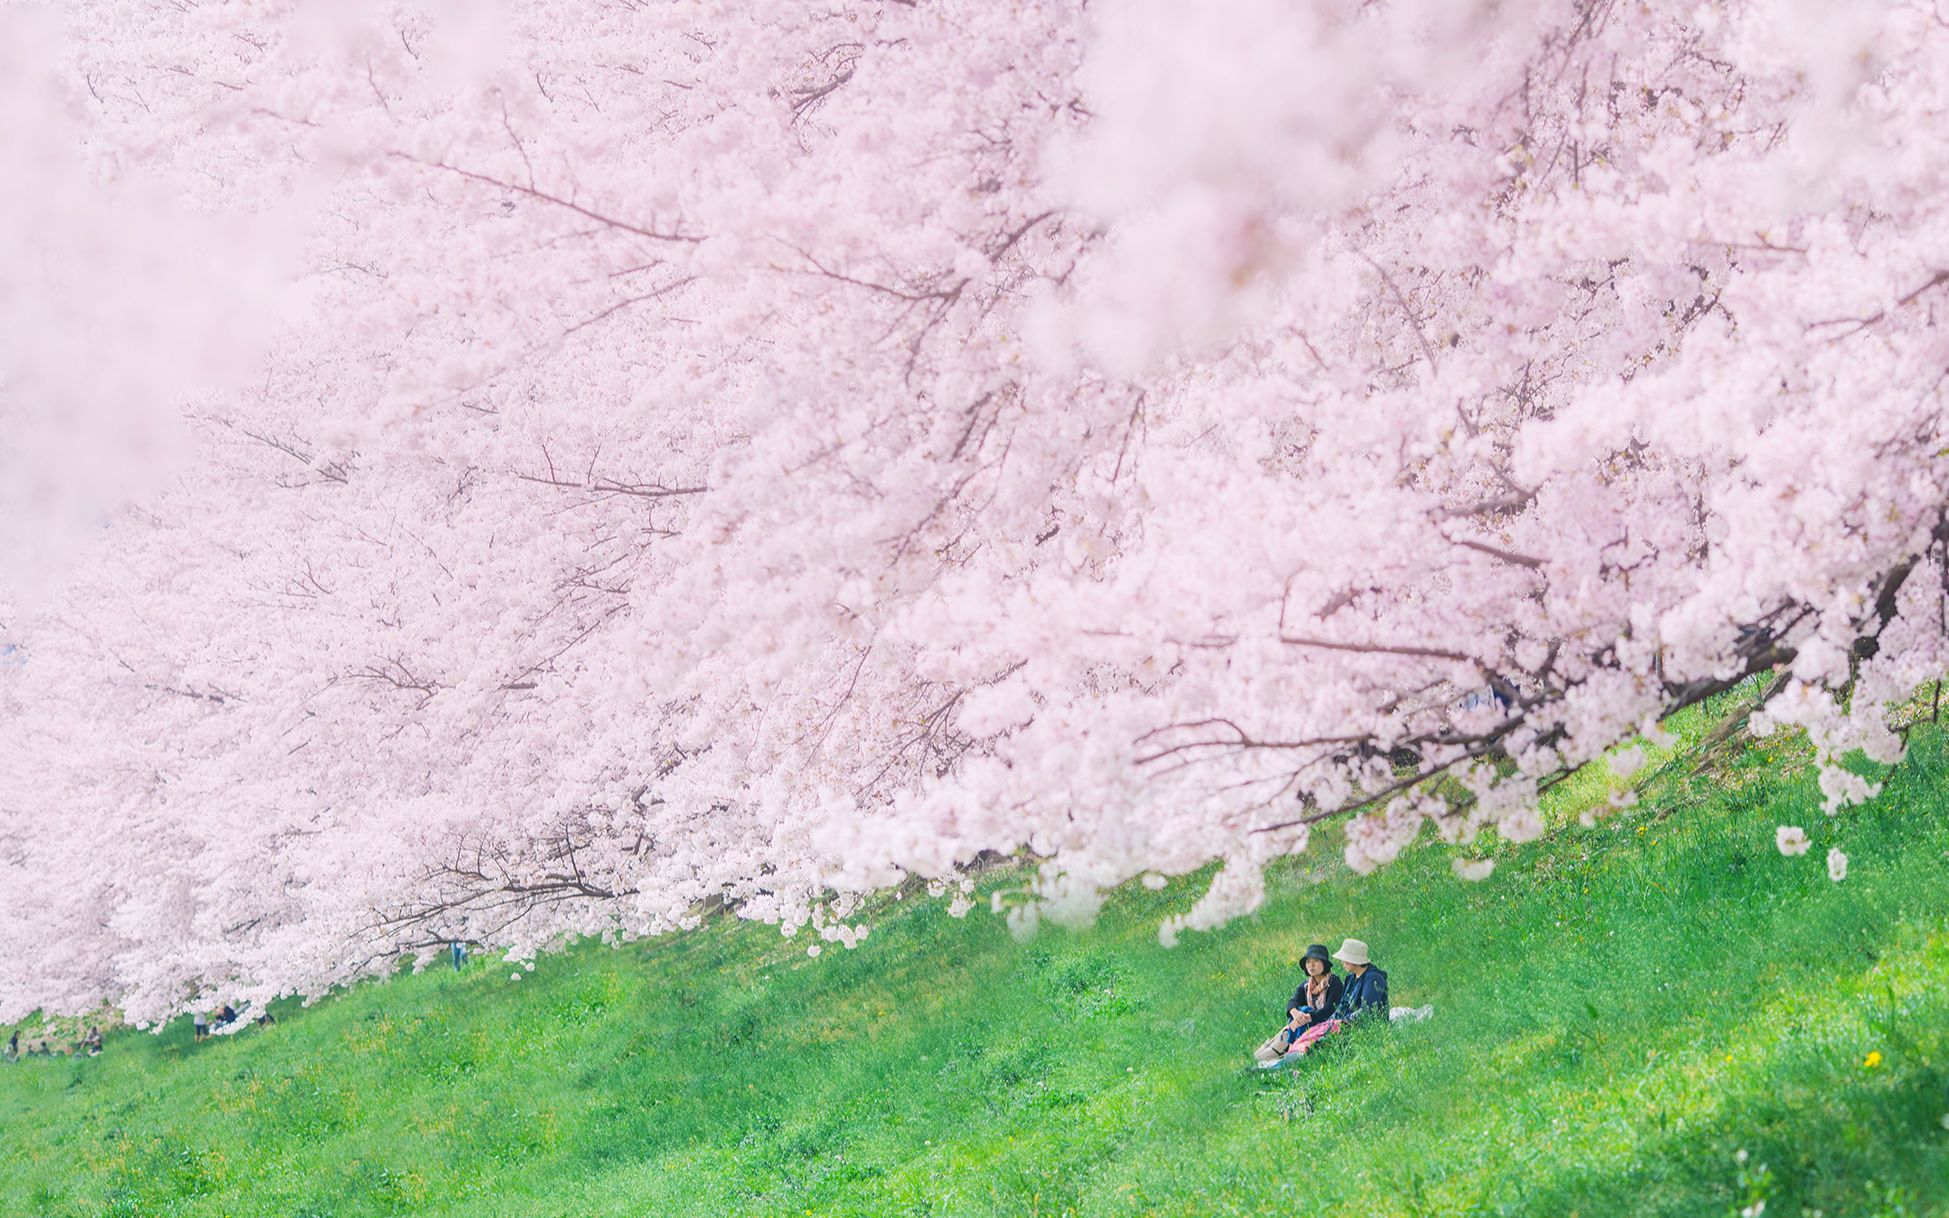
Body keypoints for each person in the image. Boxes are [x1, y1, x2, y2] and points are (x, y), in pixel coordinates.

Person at [1270, 938, 1390, 1062]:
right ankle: (1283, 1061)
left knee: (1315, 1047)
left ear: (1353, 960)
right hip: (1344, 1025)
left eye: (1345, 959)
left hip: (1361, 1028)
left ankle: (1287, 1064)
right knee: (1310, 1035)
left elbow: (1367, 1012)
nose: (1342, 962)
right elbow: (1342, 1006)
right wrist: (1328, 1024)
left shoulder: (1373, 978)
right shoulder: (1351, 978)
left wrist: (1340, 1023)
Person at [1255, 944, 1342, 1063]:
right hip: (1304, 1023)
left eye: (1316, 961)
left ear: (1324, 964)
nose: (1311, 965)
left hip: (1326, 1023)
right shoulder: (1306, 986)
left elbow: (1329, 1010)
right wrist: (1296, 1013)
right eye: (1308, 962)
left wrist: (1307, 1017)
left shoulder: (1334, 983)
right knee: (1300, 1012)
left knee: (1305, 1010)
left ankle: (1287, 1048)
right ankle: (1284, 1046)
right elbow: (1293, 1002)